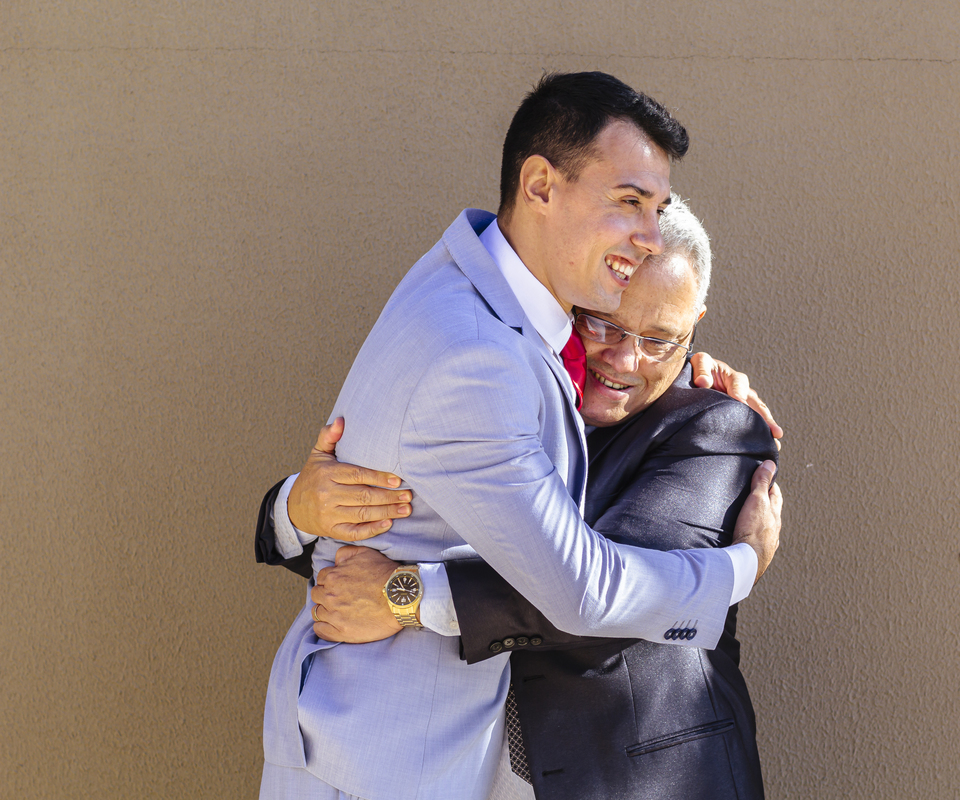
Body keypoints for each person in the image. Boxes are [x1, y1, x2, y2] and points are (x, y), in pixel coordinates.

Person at [257, 72, 782, 800]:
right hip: (403, 759)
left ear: (694, 326)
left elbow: (587, 601)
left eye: (660, 338)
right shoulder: (489, 355)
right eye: (628, 202)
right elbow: (569, 584)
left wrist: (403, 594)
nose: (626, 359)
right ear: (539, 187)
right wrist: (296, 508)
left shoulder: (712, 421)